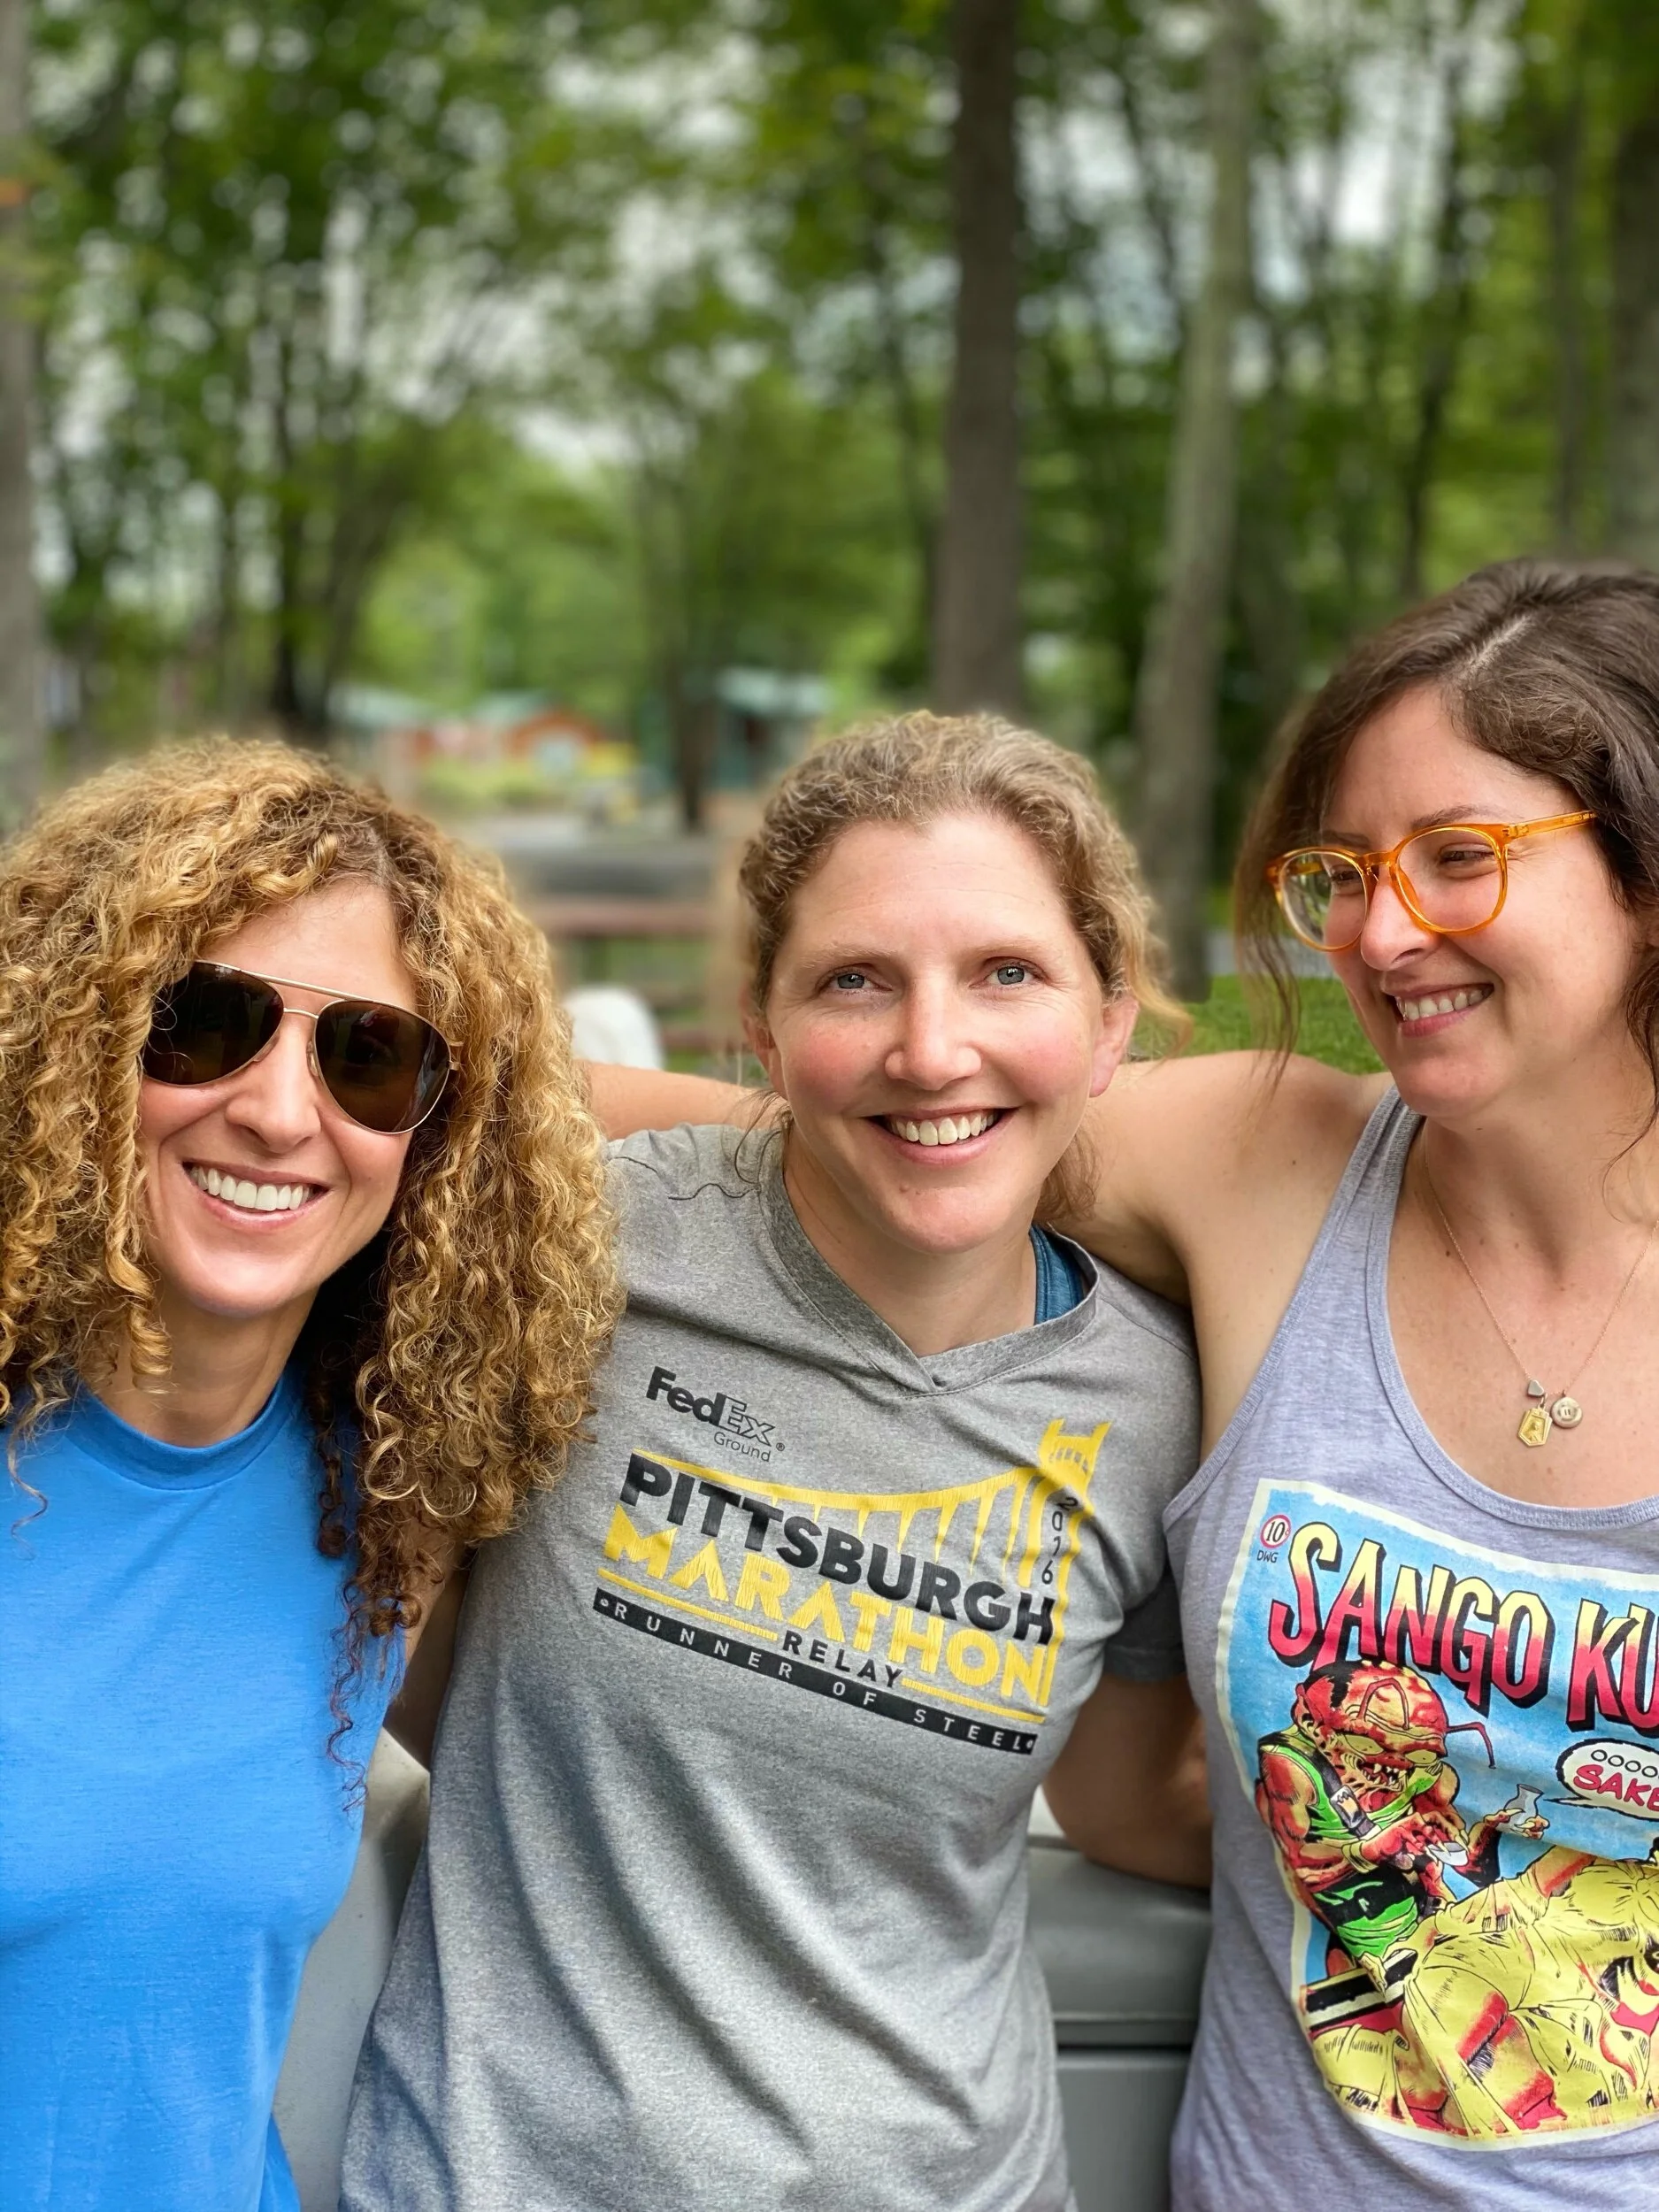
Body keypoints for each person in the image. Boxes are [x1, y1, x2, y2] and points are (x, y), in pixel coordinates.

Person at [594, 559, 1659, 2203]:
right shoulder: (1266, 1161)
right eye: (1347, 872)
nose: (1383, 934)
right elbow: (901, 1128)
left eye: (1459, 861)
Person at [342, 714, 1210, 2212]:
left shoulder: (1157, 1402)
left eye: (1007, 972)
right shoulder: (587, 1247)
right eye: (853, 980)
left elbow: (1132, 1805)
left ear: (1112, 1016)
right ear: (756, 1018)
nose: (932, 1049)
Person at [0, 739, 619, 2212]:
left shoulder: (387, 1510)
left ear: (440, 1134)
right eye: (200, 1026)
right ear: (64, 1050)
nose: (282, 1113)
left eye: (368, 1057)